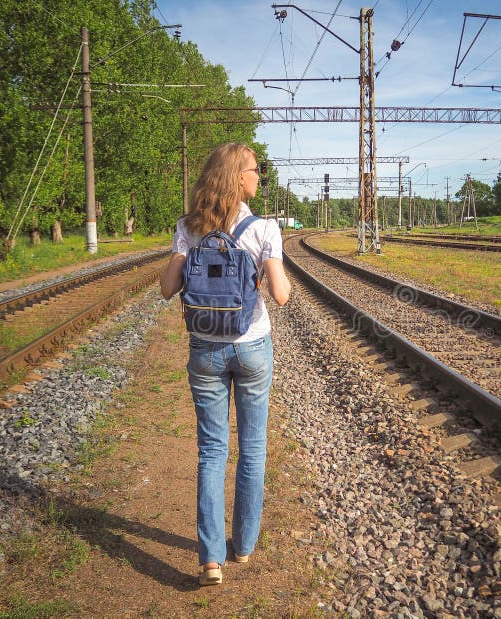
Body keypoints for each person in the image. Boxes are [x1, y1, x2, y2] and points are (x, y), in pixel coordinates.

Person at [160, 142, 291, 586]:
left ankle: (211, 558)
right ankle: (245, 547)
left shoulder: (188, 228)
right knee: (252, 448)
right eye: (256, 170)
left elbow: (166, 288)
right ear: (238, 177)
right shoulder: (264, 229)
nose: (260, 177)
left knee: (212, 451)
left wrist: (184, 253)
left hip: (205, 349)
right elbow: (282, 295)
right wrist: (268, 265)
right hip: (252, 346)